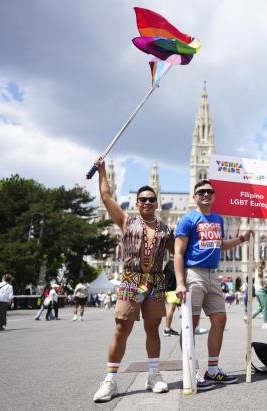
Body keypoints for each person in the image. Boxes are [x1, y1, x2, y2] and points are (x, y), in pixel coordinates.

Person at [92, 157, 173, 402]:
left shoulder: (164, 228)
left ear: (156, 202)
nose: (148, 202)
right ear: (137, 203)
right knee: (121, 328)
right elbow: (107, 197)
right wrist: (102, 172)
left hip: (156, 281)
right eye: (143, 199)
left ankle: (154, 375)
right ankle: (110, 381)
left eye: (151, 199)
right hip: (131, 279)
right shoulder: (127, 221)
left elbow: (180, 250)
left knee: (153, 329)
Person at [174, 179, 252, 390]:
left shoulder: (218, 219)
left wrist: (241, 239)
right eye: (201, 192)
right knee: (191, 324)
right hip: (194, 274)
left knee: (220, 319)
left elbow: (220, 245)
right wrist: (180, 282)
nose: (205, 194)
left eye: (209, 191)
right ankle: (192, 370)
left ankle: (213, 370)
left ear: (214, 195)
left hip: (213, 274)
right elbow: (178, 253)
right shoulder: (188, 219)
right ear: (195, 197)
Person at [251, 260, 267, 329]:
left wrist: (266, 277)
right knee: (265, 307)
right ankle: (265, 323)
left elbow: (260, 280)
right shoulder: (260, 271)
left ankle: (249, 317)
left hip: (257, 291)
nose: (265, 266)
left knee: (261, 307)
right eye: (265, 265)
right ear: (263, 265)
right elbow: (261, 283)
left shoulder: (257, 271)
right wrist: (266, 280)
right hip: (261, 291)